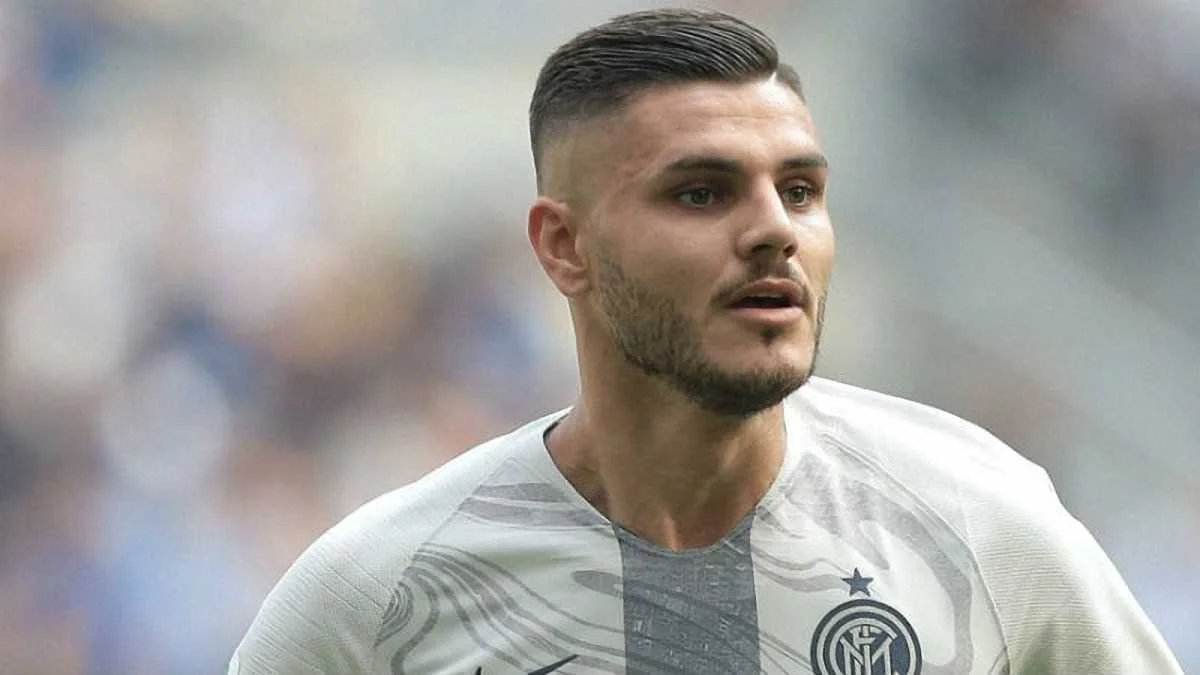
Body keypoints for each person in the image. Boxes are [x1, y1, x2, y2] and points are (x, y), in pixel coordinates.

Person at [228, 8, 1183, 674]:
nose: (774, 230)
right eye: (700, 192)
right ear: (564, 247)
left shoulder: (977, 526)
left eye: (800, 190)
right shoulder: (379, 597)